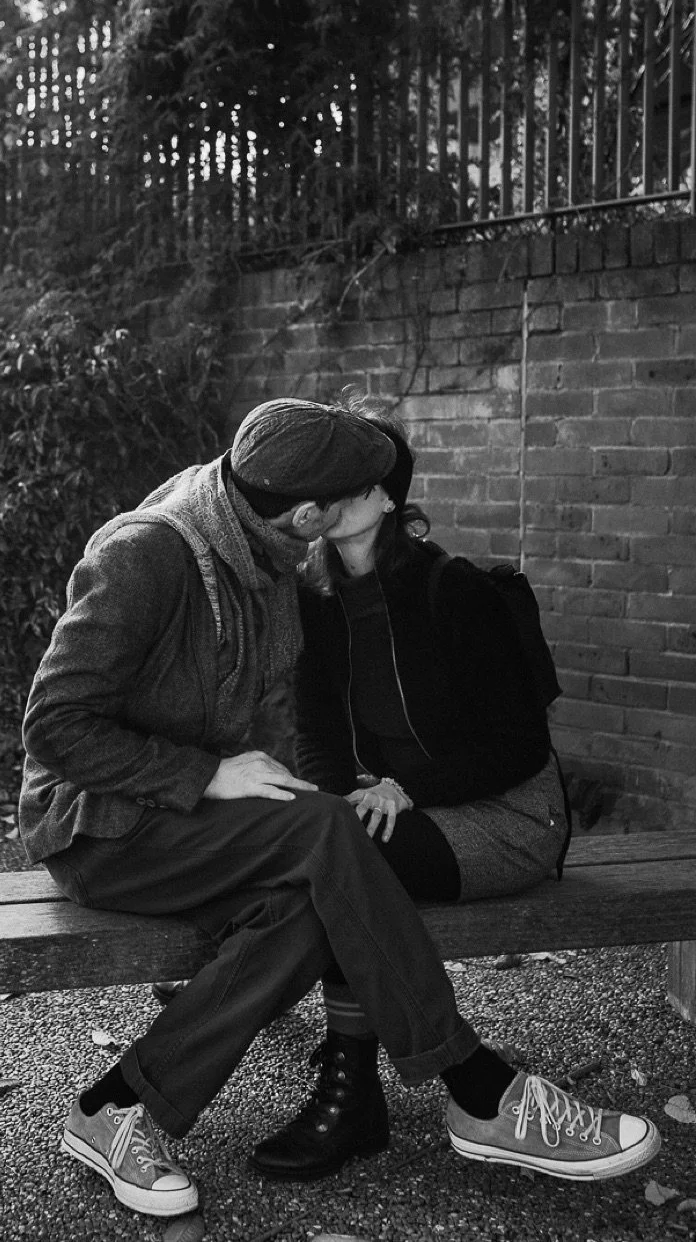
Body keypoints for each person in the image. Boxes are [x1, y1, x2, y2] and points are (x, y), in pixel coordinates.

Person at [18, 397, 658, 1220]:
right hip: (102, 828)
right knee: (328, 832)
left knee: (313, 901)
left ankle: (115, 1106)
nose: (384, 497)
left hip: (179, 822)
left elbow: (315, 723)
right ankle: (479, 1086)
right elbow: (52, 727)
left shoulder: (265, 545)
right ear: (310, 512)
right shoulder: (151, 555)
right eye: (361, 487)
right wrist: (208, 774)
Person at [249, 394, 573, 1181]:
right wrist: (335, 800)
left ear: (391, 494)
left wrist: (402, 787)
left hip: (509, 815)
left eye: (349, 480)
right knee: (321, 842)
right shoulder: (314, 598)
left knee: (347, 859)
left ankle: (353, 1089)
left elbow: (519, 745)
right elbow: (319, 733)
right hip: (393, 805)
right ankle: (372, 1091)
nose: (325, 496)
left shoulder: (455, 591)